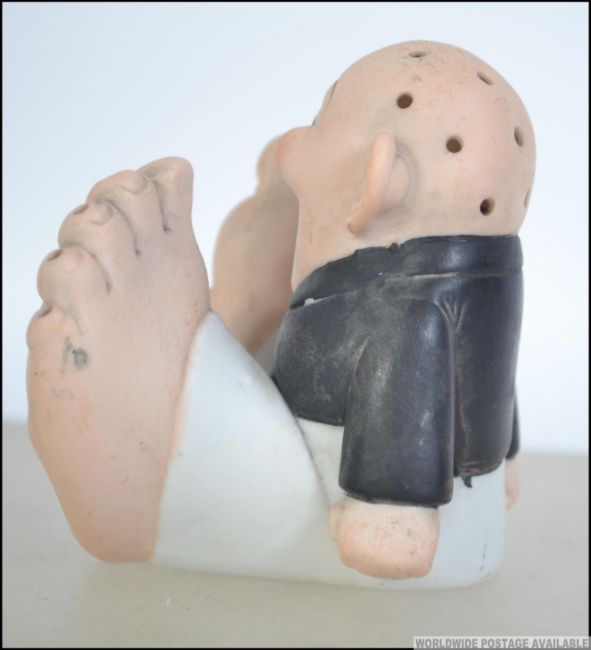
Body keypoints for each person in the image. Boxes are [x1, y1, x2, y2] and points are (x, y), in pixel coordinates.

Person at [26, 40, 534, 584]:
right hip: (470, 527)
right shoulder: (488, 282)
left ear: (378, 185)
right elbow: (489, 376)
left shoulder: (406, 313)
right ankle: (226, 342)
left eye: (319, 122)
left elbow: (408, 389)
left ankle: (153, 464)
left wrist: (393, 515)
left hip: (350, 505)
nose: (292, 143)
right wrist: (501, 459)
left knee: (233, 442)